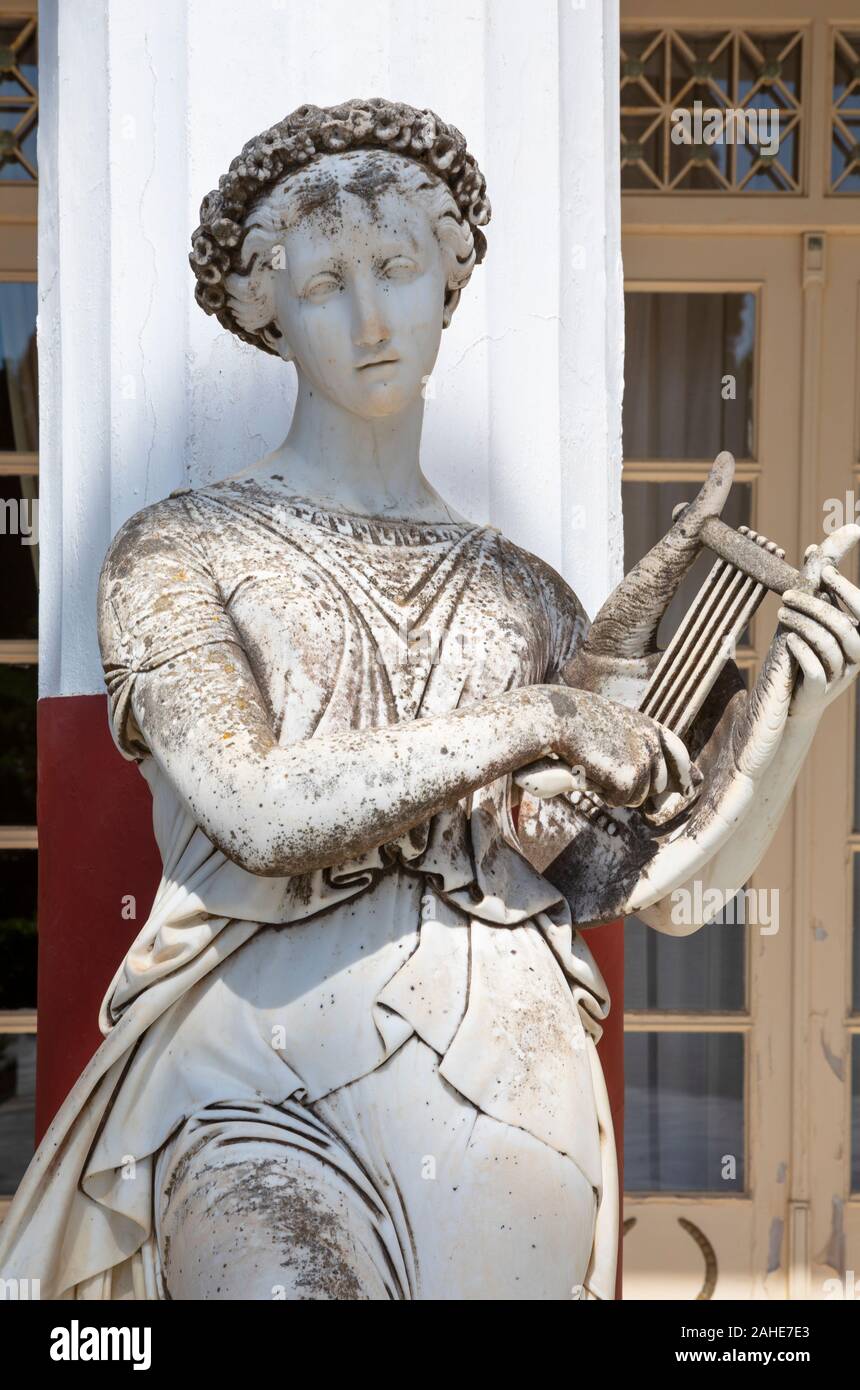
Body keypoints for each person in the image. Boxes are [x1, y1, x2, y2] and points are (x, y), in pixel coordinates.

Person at [2, 98, 858, 1301]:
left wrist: (786, 714)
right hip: (252, 1069)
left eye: (398, 267)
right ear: (263, 305)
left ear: (448, 280)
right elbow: (258, 811)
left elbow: (641, 893)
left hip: (507, 1080)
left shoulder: (530, 596)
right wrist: (547, 717)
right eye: (323, 281)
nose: (367, 318)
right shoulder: (175, 551)